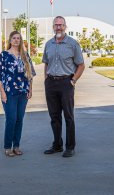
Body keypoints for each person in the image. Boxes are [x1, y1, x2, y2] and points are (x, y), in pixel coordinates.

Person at [42, 16, 85, 158]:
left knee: (68, 116)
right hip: (51, 84)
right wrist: (46, 79)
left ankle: (70, 147)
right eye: (56, 25)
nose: (58, 27)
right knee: (54, 116)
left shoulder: (73, 44)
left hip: (66, 83)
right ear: (53, 27)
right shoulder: (48, 44)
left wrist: (73, 81)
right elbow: (46, 63)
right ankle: (57, 145)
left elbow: (81, 65)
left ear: (65, 26)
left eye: (61, 25)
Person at [0, 31, 36, 157]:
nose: (16, 40)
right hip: (9, 93)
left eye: (18, 38)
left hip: (23, 93)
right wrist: (2, 93)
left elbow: (30, 74)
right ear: (10, 40)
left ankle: (16, 146)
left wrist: (30, 89)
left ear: (21, 40)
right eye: (14, 38)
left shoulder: (25, 55)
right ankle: (8, 147)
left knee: (19, 120)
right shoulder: (4, 55)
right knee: (11, 119)